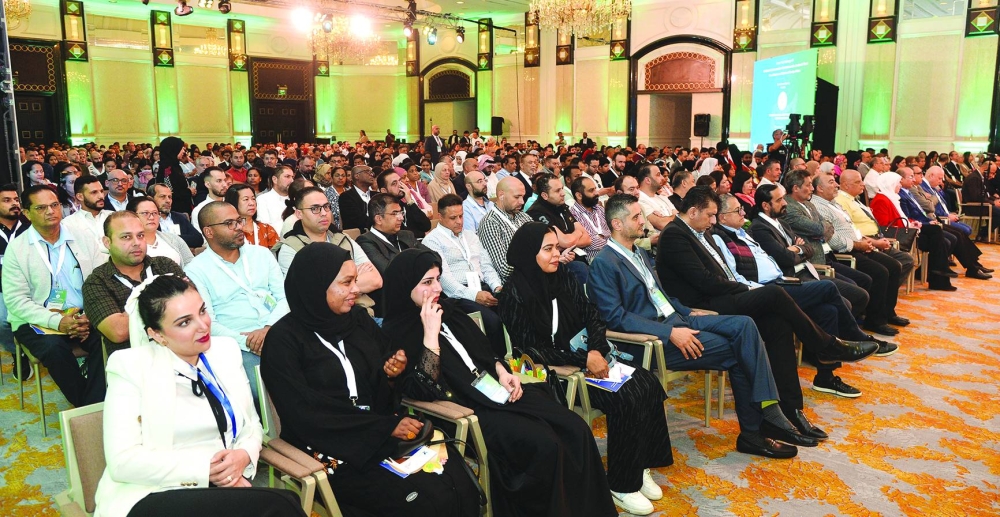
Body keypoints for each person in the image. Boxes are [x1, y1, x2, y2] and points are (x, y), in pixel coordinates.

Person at [382, 248, 618, 517]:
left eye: (438, 279)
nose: (437, 288)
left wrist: (503, 372)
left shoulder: (450, 310)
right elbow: (422, 389)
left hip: (495, 390)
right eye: (427, 282)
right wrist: (431, 335)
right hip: (463, 408)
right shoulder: (396, 332)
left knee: (576, 428)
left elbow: (487, 353)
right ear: (406, 286)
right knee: (545, 445)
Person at [261, 243, 480, 516]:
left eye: (355, 280)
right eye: (346, 282)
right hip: (330, 449)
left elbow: (384, 382)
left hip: (383, 433)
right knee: (421, 502)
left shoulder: (358, 321)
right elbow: (306, 413)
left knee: (457, 482)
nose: (356, 289)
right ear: (316, 285)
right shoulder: (283, 341)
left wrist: (391, 375)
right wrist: (383, 427)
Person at [588, 194, 805, 458]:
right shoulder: (604, 263)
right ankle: (757, 428)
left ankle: (768, 411)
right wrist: (669, 333)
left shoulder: (639, 253)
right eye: (635, 217)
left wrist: (687, 311)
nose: (642, 221)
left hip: (677, 319)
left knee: (745, 325)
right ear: (617, 224)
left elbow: (659, 295)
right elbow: (614, 317)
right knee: (739, 351)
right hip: (651, 340)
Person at [497, 223, 671, 515]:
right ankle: (621, 484)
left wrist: (595, 350)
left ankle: (638, 465)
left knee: (647, 383)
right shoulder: (513, 294)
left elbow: (592, 315)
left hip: (586, 358)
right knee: (627, 396)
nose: (557, 254)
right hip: (555, 374)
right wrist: (582, 360)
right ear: (528, 253)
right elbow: (529, 351)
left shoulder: (563, 276)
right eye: (548, 249)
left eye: (557, 247)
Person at [95, 274, 303, 517]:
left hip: (216, 488)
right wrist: (208, 469)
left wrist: (243, 455)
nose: (203, 325)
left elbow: (252, 424)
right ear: (157, 334)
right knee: (280, 505)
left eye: (202, 311)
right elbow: (122, 462)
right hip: (152, 492)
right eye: (185, 322)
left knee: (284, 503)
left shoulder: (225, 351)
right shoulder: (130, 367)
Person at [3, 185, 108, 406]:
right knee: (54, 349)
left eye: (54, 205)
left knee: (109, 336)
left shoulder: (82, 238)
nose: (50, 211)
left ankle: (93, 404)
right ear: (27, 213)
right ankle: (89, 407)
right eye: (41, 208)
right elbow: (16, 300)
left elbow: (101, 278)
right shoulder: (17, 249)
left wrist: (90, 315)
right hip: (36, 320)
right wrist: (58, 322)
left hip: (83, 315)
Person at [184, 201, 289, 403]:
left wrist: (268, 330)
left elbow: (284, 297)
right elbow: (208, 321)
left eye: (239, 221)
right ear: (209, 232)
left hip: (277, 329)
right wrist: (249, 342)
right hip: (238, 344)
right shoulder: (196, 270)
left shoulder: (262, 254)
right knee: (261, 392)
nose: (239, 227)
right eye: (229, 223)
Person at [83, 210, 186, 355]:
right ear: (107, 242)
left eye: (140, 235)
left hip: (181, 353)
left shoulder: (165, 265)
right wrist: (168, 300)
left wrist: (132, 313)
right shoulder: (97, 282)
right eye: (126, 237)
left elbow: (192, 306)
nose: (137, 243)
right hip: (134, 362)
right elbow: (119, 331)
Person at [421, 194, 506, 356]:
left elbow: (486, 265)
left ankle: (520, 356)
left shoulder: (470, 235)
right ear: (440, 217)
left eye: (461, 216)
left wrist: (497, 286)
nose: (459, 221)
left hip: (482, 286)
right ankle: (497, 361)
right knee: (493, 321)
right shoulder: (432, 241)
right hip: (458, 295)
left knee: (514, 308)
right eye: (453, 218)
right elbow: (447, 282)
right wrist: (475, 295)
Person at [476, 177, 533, 281]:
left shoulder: (524, 216)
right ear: (501, 195)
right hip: (515, 283)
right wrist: (536, 259)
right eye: (517, 197)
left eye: (523, 197)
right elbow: (504, 268)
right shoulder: (490, 223)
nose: (522, 202)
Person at [0, 184, 30, 378]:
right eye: (7, 200)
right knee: (2, 321)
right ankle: (17, 352)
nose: (14, 204)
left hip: (33, 284)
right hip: (2, 288)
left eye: (16, 200)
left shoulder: (30, 227)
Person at [224, 183, 279, 249]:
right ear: (233, 202)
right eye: (246, 199)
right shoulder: (227, 231)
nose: (252, 203)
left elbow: (274, 254)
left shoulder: (267, 229)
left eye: (253, 199)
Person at [149, 183, 204, 249]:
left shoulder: (180, 217)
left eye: (170, 197)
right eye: (162, 196)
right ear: (151, 199)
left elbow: (198, 239)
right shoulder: (147, 219)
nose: (168, 201)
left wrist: (172, 239)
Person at [63, 175, 112, 250]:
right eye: (94, 192)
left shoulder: (113, 216)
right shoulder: (68, 224)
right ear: (80, 197)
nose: (101, 196)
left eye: (101, 191)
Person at [191, 167, 230, 235]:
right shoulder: (199, 210)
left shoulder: (233, 203)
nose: (224, 185)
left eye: (225, 180)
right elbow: (200, 237)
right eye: (219, 181)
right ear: (208, 184)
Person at [340, 165, 376, 232]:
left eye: (372, 172)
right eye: (367, 172)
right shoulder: (346, 197)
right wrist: (379, 224)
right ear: (357, 176)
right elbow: (357, 220)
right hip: (359, 235)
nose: (372, 175)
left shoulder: (377, 195)